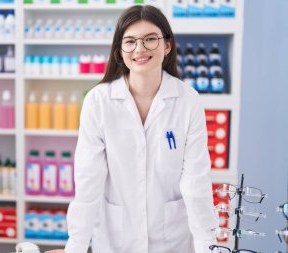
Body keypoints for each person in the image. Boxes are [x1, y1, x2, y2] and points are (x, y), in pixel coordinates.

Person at [46, 5, 219, 253]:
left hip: (173, 240)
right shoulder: (99, 101)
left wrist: (207, 246)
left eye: (150, 39)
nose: (140, 49)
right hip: (115, 240)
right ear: (119, 51)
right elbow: (88, 181)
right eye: (130, 42)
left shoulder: (188, 100)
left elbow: (196, 181)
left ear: (167, 45)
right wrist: (76, 246)